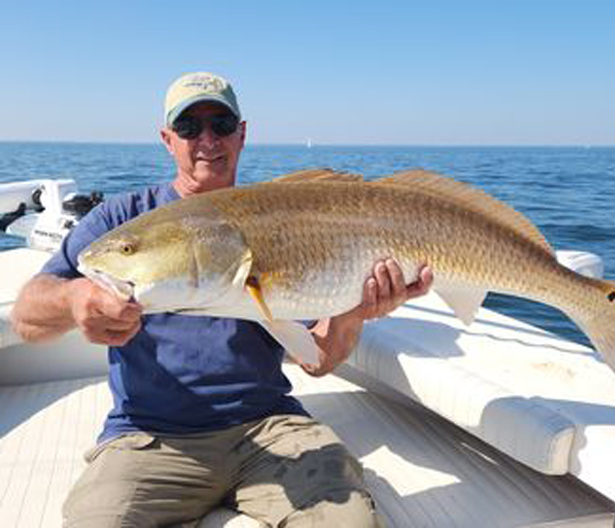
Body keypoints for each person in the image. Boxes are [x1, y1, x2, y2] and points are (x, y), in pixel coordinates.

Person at [11, 72, 433, 528]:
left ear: (243, 133)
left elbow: (318, 358)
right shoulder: (122, 221)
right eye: (189, 127)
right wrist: (76, 298)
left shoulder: (283, 220)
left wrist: (353, 313)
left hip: (269, 428)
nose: (207, 139)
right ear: (167, 138)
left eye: (222, 124)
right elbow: (28, 318)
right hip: (150, 437)